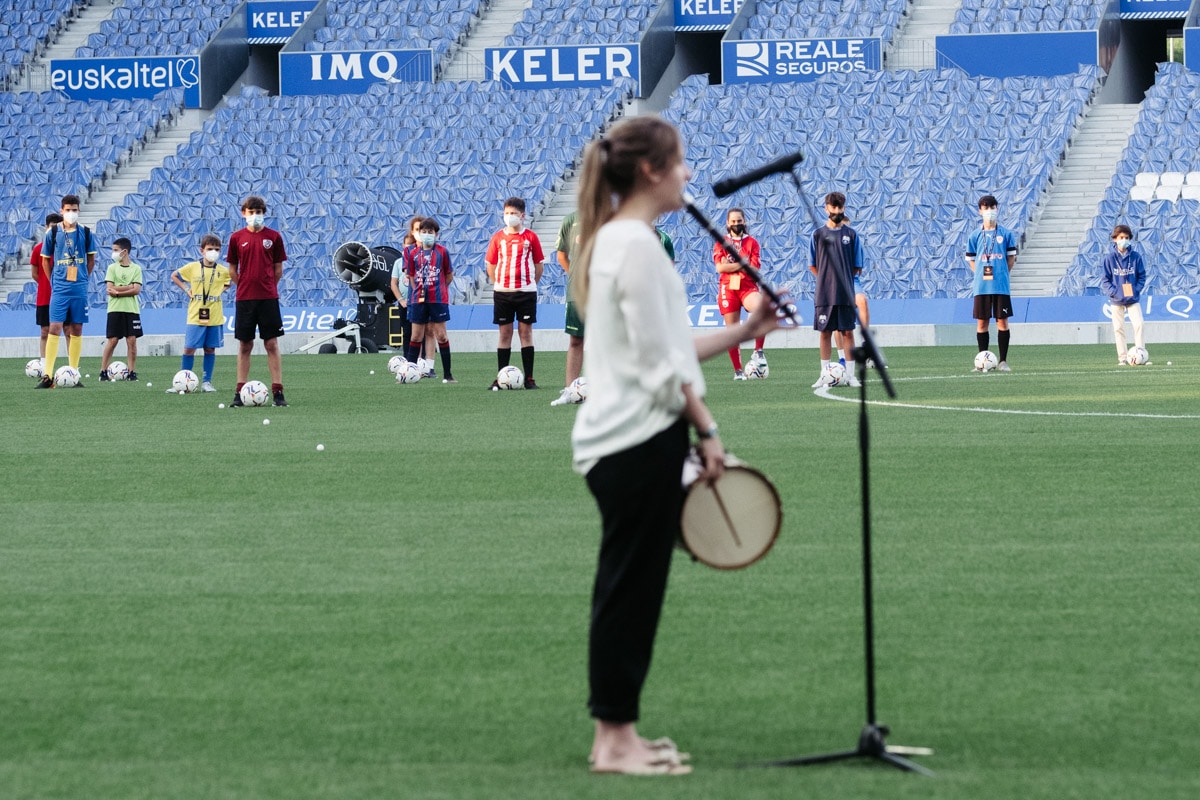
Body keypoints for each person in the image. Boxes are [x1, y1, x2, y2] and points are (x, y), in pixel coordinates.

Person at [570, 115, 783, 776]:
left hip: (631, 437)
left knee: (633, 589)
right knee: (629, 591)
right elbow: (665, 368)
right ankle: (613, 740)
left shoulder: (623, 241)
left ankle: (620, 732)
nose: (690, 173)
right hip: (636, 439)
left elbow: (668, 349)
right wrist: (709, 430)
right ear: (655, 171)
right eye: (682, 161)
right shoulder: (632, 244)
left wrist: (746, 328)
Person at [226, 195, 289, 407]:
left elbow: (277, 269)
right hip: (245, 298)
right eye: (251, 212)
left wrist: (268, 285)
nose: (255, 216)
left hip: (268, 298)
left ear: (264, 213)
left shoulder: (274, 237)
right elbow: (232, 269)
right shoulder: (236, 238)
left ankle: (278, 392)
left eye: (259, 212)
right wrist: (244, 283)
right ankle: (239, 391)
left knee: (271, 343)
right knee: (245, 344)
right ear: (244, 213)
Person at [37, 194, 95, 389]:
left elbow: (91, 260)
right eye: (68, 210)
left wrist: (83, 277)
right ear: (62, 211)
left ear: (79, 211)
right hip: (60, 289)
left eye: (75, 210)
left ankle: (74, 373)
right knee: (54, 327)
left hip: (79, 288)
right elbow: (45, 260)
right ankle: (47, 375)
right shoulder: (52, 233)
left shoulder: (86, 233)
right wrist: (53, 279)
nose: (71, 213)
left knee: (77, 329)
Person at [485, 196, 544, 389]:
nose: (510, 217)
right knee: (505, 333)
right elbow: (491, 265)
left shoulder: (531, 237)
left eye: (514, 214)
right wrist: (499, 283)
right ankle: (501, 377)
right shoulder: (498, 238)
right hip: (503, 293)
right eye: (507, 213)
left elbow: (538, 265)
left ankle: (529, 378)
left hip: (526, 292)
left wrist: (530, 284)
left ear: (522, 215)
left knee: (525, 332)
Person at [809, 191, 863, 389]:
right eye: (833, 207)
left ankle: (850, 375)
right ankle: (823, 374)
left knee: (848, 332)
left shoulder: (851, 234)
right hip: (824, 294)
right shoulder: (817, 235)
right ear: (826, 208)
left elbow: (858, 265)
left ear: (844, 208)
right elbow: (812, 264)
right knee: (825, 333)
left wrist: (843, 281)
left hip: (846, 293)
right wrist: (826, 280)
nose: (837, 210)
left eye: (840, 207)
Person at [168, 234, 231, 393]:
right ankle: (182, 382)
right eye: (210, 249)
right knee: (189, 348)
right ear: (202, 250)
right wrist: (186, 289)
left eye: (217, 249)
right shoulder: (192, 267)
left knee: (210, 349)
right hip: (196, 314)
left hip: (215, 315)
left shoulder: (223, 271)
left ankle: (206, 382)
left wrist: (218, 292)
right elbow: (174, 276)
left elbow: (228, 283)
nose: (213, 252)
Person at [713, 207, 767, 380]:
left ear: (744, 222)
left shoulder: (752, 242)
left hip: (747, 287)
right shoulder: (721, 242)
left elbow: (755, 268)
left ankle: (758, 351)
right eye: (733, 221)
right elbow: (720, 267)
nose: (736, 224)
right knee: (732, 331)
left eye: (739, 221)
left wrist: (734, 265)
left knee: (762, 308)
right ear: (728, 223)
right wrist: (743, 263)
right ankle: (738, 371)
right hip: (728, 289)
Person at [966, 194, 1018, 372]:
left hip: (1001, 286)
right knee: (982, 323)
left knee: (1002, 322)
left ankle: (1003, 361)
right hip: (982, 287)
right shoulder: (974, 236)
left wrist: (1003, 273)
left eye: (992, 207)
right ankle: (982, 360)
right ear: (980, 211)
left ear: (997, 209)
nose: (990, 211)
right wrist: (980, 273)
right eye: (986, 208)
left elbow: (1011, 259)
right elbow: (972, 260)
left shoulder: (1006, 234)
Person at [401, 217, 456, 383]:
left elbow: (449, 275)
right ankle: (409, 374)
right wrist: (418, 288)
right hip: (418, 300)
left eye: (430, 232)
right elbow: (410, 275)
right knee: (416, 336)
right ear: (418, 233)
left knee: (442, 336)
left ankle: (448, 374)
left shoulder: (442, 252)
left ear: (436, 234)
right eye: (423, 232)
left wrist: (438, 288)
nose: (426, 235)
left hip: (438, 300)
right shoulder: (412, 253)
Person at [1100, 224, 1149, 366]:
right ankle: (1122, 358)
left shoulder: (1135, 257)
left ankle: (1140, 355)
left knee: (1139, 324)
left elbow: (1142, 276)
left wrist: (1136, 289)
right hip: (1116, 300)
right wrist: (1114, 292)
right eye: (1122, 237)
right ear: (1115, 239)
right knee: (1118, 328)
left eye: (1127, 238)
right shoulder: (1109, 259)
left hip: (1133, 298)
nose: (1124, 240)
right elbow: (1105, 279)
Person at [99, 237, 143, 382]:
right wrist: (128, 286)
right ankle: (103, 371)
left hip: (131, 309)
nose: (113, 253)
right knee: (112, 341)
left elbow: (136, 290)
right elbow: (109, 288)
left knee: (131, 341)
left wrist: (118, 292)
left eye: (115, 250)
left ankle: (132, 372)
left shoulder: (136, 268)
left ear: (124, 252)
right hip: (115, 309)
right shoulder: (112, 268)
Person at [551, 210, 584, 406]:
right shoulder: (570, 221)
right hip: (577, 291)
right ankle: (570, 390)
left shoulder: (612, 215)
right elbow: (561, 255)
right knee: (576, 340)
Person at [31, 212, 64, 363]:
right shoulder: (38, 249)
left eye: (57, 228)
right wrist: (48, 285)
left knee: (68, 331)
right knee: (45, 331)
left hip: (63, 296)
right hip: (44, 297)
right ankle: (45, 364)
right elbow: (35, 274)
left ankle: (71, 366)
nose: (53, 231)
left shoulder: (65, 250)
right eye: (51, 228)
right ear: (46, 228)